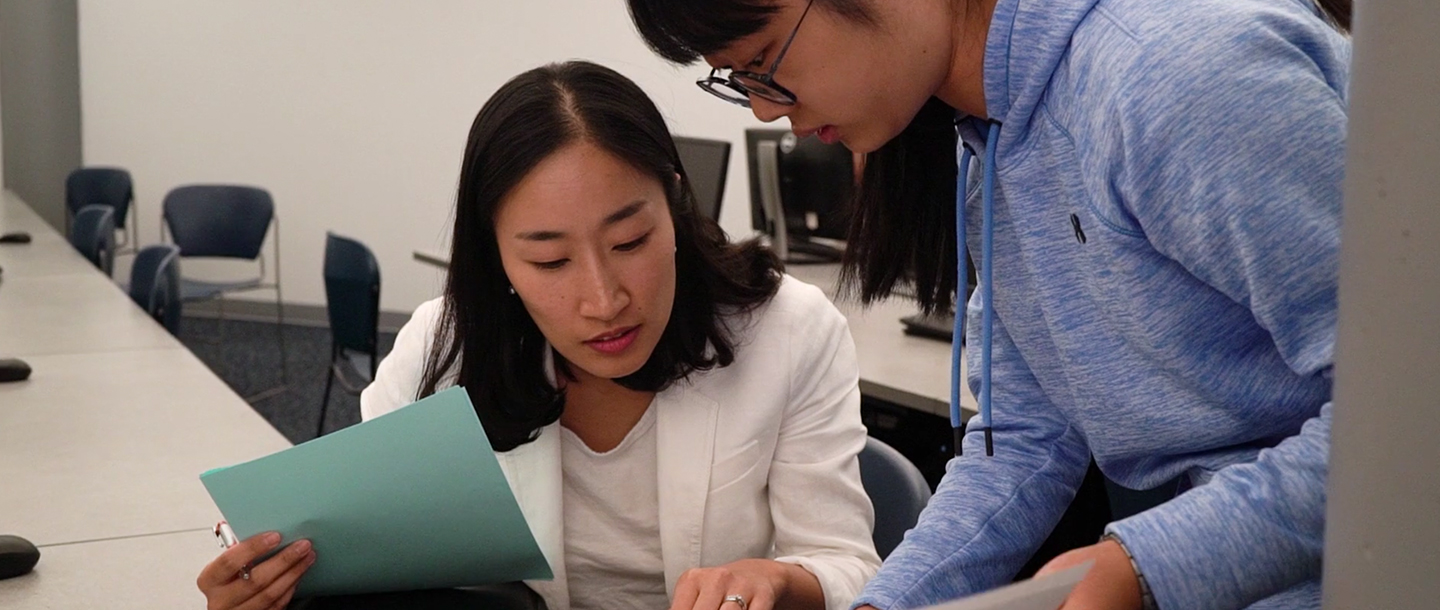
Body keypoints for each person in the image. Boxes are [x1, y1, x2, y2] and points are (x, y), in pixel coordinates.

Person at [624, 0, 1352, 608]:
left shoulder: (1176, 80)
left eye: (764, 61)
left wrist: (1146, 563)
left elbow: (1403, 416)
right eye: (735, 80)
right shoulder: (989, 141)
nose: (760, 107)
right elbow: (1025, 440)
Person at [196, 60, 880, 610]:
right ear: (496, 255)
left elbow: (847, 563)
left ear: (675, 202)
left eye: (631, 240)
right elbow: (360, 552)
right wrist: (264, 585)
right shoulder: (444, 350)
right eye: (550, 261)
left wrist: (782, 582)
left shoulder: (789, 331)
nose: (603, 299)